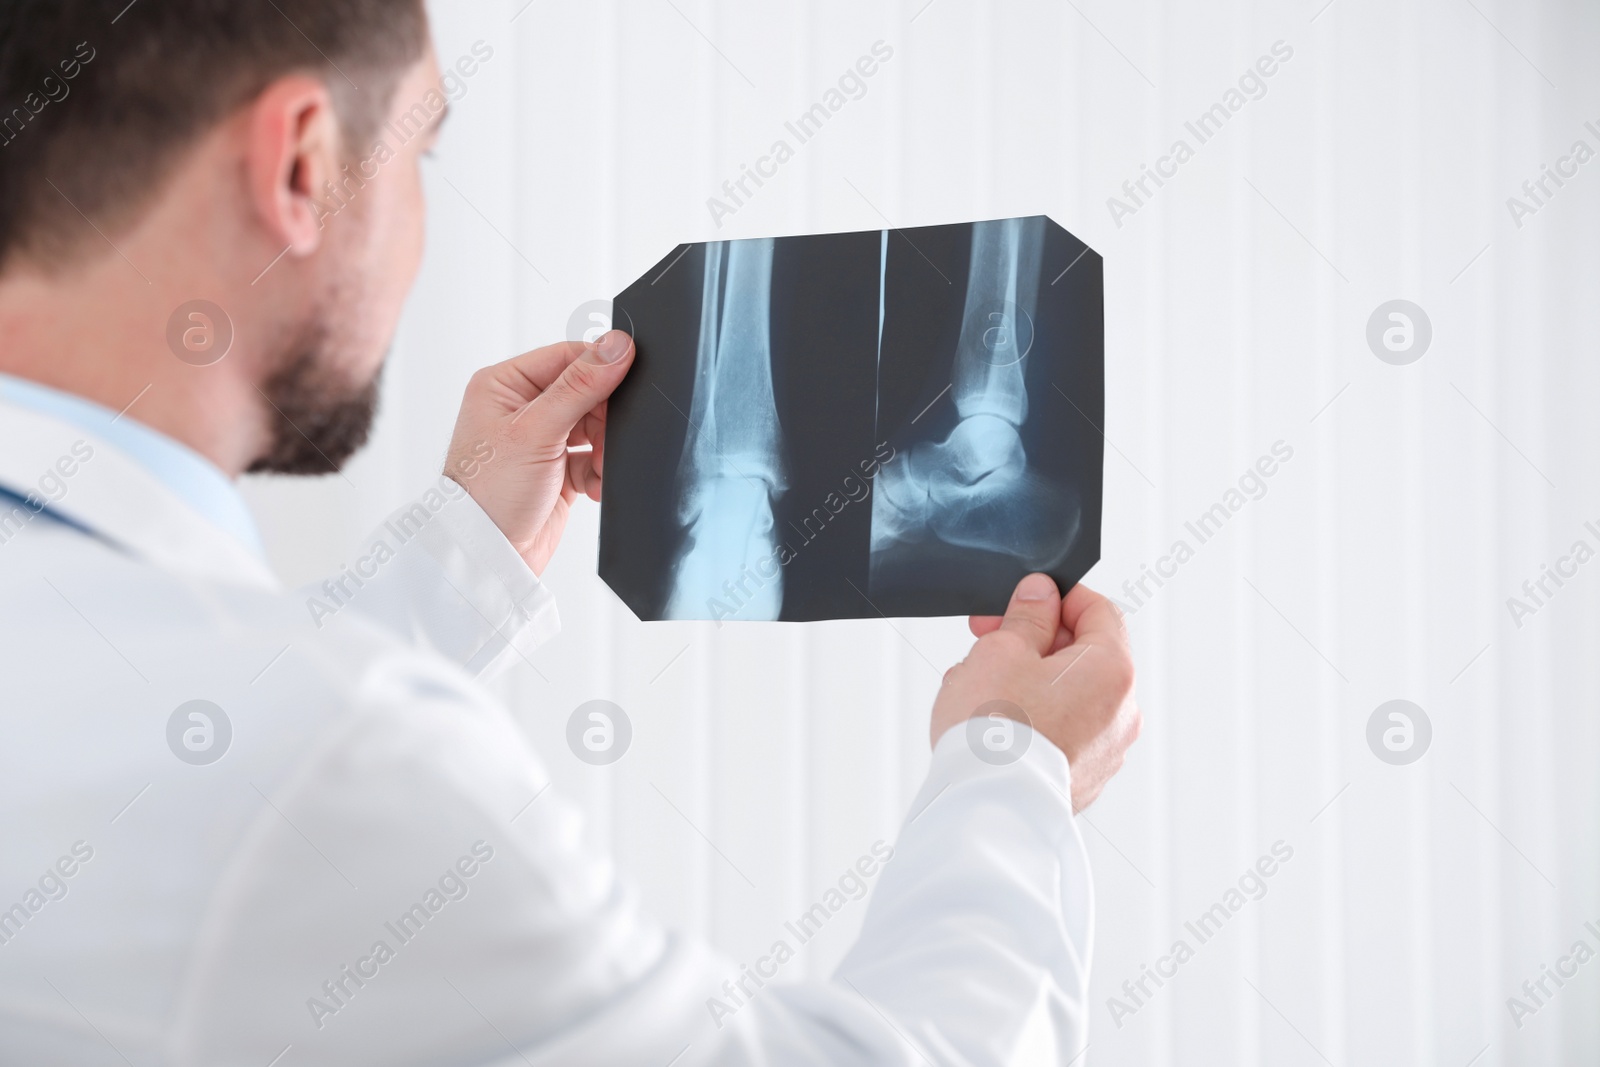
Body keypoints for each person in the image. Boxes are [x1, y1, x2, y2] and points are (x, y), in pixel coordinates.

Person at [0, 2, 1142, 1063]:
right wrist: (1011, 767)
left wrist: (457, 562)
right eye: (420, 158)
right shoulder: (329, 759)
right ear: (303, 161)